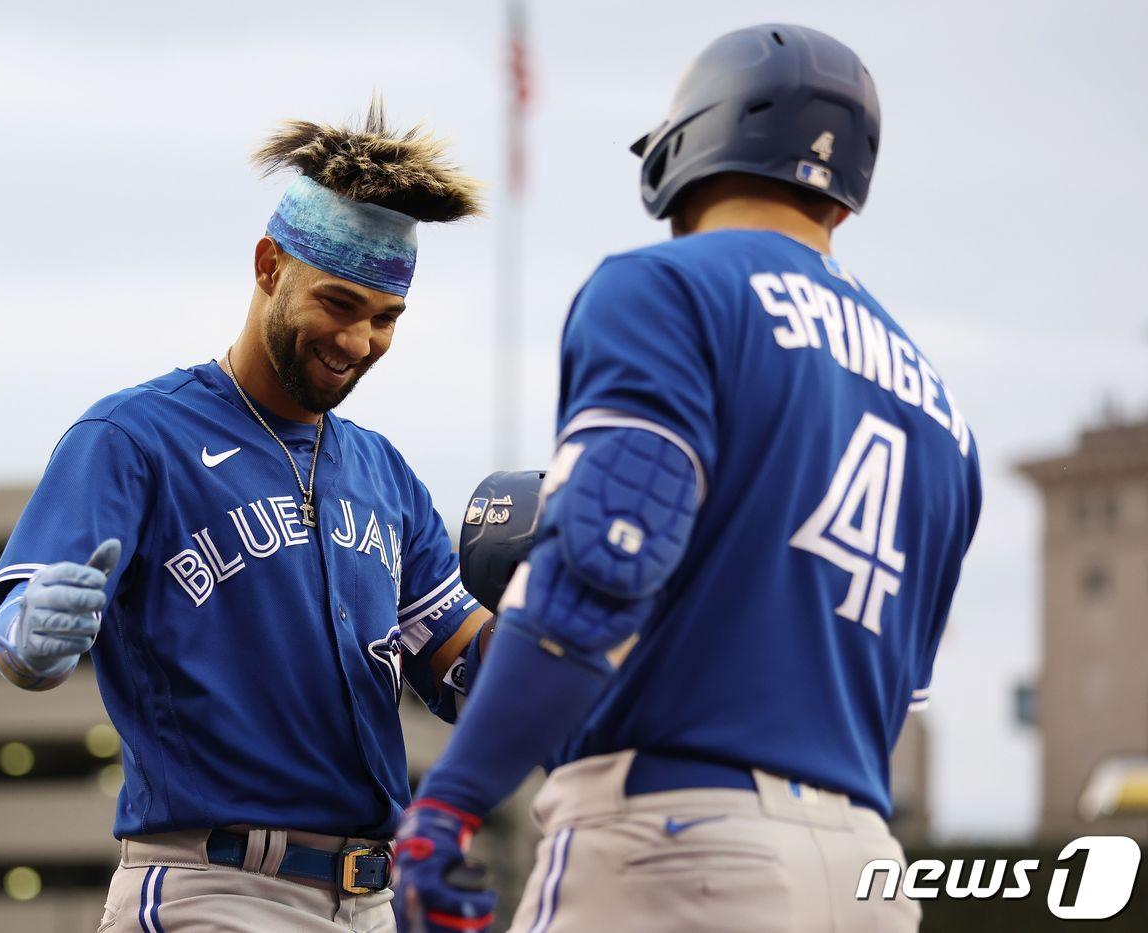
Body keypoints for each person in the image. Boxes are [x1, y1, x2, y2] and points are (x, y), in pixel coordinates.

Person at [394, 24, 982, 933]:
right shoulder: (943, 411)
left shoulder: (667, 287)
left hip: (679, 843)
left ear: (693, 142)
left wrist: (451, 801)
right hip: (867, 870)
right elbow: (892, 696)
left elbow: (601, 573)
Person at [0, 101, 495, 932]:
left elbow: (465, 671)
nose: (359, 340)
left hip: (373, 898)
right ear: (268, 266)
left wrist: (562, 626)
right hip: (213, 890)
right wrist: (27, 638)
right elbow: (22, 628)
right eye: (338, 302)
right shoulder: (135, 434)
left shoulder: (384, 471)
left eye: (386, 317)